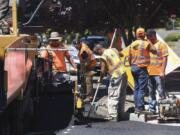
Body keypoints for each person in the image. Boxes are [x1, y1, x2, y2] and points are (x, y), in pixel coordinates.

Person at [94, 44, 127, 121]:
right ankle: (120, 114)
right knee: (122, 94)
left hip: (116, 75)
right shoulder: (114, 49)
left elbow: (102, 70)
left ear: (99, 50)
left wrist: (100, 79)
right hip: (123, 73)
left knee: (113, 95)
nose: (99, 55)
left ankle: (113, 115)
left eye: (98, 53)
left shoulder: (103, 56)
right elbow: (122, 54)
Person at [129, 27, 156, 113]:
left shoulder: (132, 44)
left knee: (136, 88)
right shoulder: (145, 43)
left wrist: (132, 65)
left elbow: (129, 57)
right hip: (142, 68)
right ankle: (140, 108)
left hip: (133, 67)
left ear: (137, 34)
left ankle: (137, 106)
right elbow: (154, 50)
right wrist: (148, 40)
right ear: (144, 34)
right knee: (141, 89)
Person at [146, 29, 168, 113]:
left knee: (161, 91)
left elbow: (165, 58)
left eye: (149, 37)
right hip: (149, 72)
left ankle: (164, 109)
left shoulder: (162, 45)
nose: (148, 39)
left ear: (153, 36)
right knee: (151, 92)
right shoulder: (148, 45)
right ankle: (152, 109)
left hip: (158, 73)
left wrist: (162, 71)